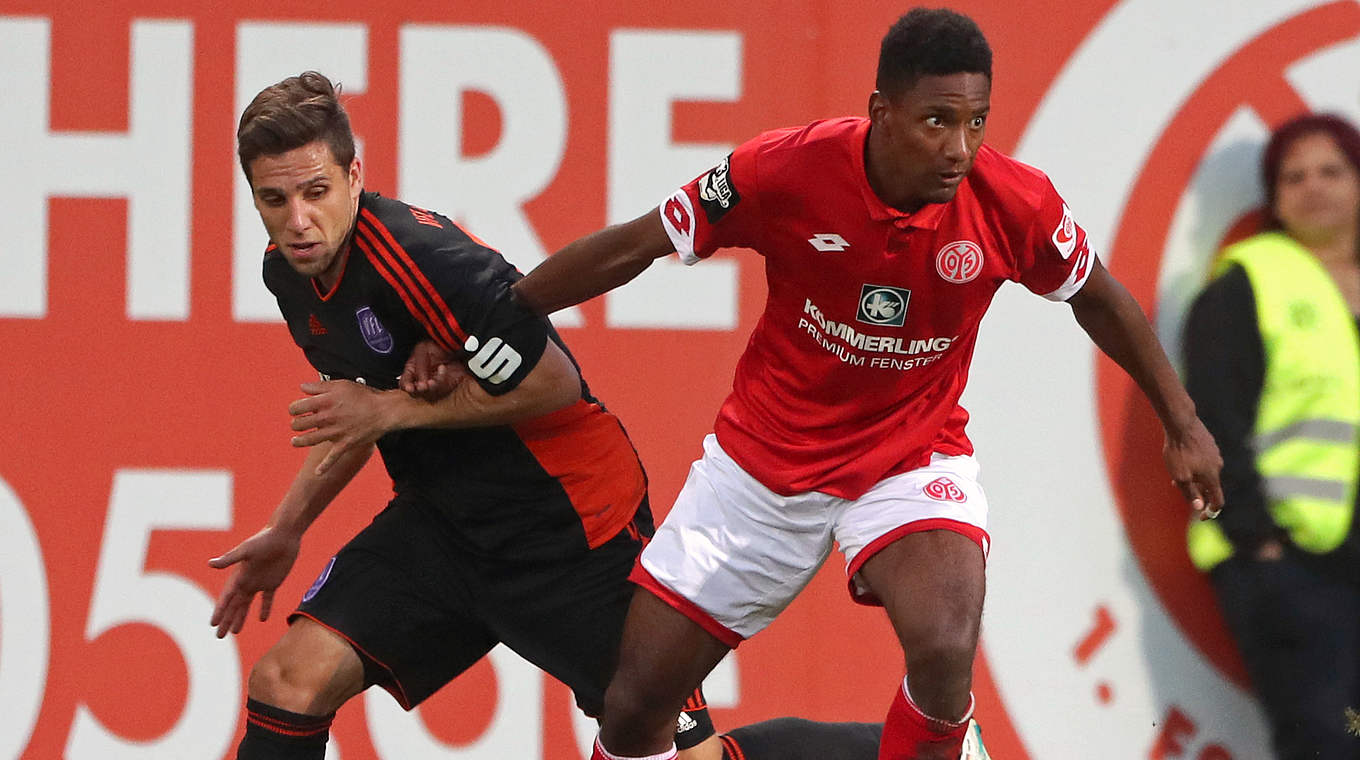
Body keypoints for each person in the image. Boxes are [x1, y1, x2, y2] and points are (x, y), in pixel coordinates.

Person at [491, 8, 1222, 760]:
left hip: (910, 456)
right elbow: (639, 243)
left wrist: (1183, 422)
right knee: (634, 708)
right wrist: (498, 314)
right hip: (763, 469)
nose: (959, 149)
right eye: (937, 121)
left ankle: (943, 745)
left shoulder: (1014, 203)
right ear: (882, 112)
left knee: (943, 646)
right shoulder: (783, 171)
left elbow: (1099, 296)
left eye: (976, 123)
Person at [210, 70, 885, 760]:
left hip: (567, 527)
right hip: (445, 526)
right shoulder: (289, 272)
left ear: (355, 176)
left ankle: (916, 751)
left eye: (316, 192)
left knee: (686, 757)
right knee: (286, 682)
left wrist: (389, 407)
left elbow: (554, 382)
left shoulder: (424, 258)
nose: (297, 220)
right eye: (275, 198)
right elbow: (359, 417)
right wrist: (287, 528)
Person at [1183, 112, 1360, 760]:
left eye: (1331, 170)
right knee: (1327, 740)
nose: (1313, 186)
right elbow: (1212, 419)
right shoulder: (1248, 285)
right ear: (1275, 198)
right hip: (1295, 568)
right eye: (1294, 176)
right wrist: (1259, 544)